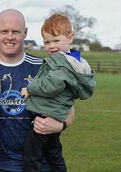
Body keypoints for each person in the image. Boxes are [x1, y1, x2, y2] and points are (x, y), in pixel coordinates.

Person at [0, 9, 75, 172]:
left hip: (41, 163)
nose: (10, 37)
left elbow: (70, 110)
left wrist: (60, 125)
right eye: (4, 31)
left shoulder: (45, 68)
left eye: (15, 31)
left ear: (25, 33)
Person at [21, 13, 96, 172]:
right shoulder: (71, 60)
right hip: (54, 113)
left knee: (31, 154)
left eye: (56, 40)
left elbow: (50, 86)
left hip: (46, 115)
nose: (51, 46)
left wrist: (30, 88)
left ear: (70, 38)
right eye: (47, 42)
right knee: (53, 152)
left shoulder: (62, 63)